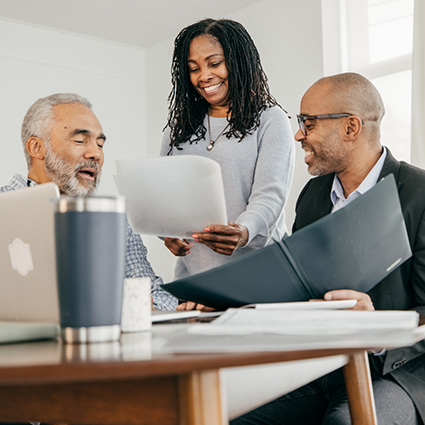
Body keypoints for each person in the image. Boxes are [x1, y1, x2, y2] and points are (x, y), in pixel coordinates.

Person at [231, 72, 425, 424]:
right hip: (319, 368)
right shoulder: (313, 195)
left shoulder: (420, 194)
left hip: (395, 372)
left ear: (351, 127)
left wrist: (377, 327)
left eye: (308, 122)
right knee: (221, 413)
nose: (298, 134)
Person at [161, 18, 295, 309]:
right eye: (194, 68)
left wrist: (244, 231)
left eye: (214, 63)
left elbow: (270, 194)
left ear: (239, 61)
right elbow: (164, 194)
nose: (204, 76)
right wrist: (167, 232)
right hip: (197, 284)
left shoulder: (270, 120)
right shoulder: (179, 129)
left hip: (260, 280)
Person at [1, 93, 177, 311]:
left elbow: (155, 295)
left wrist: (146, 308)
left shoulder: (116, 221)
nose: (96, 154)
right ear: (37, 148)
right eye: (80, 141)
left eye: (100, 144)